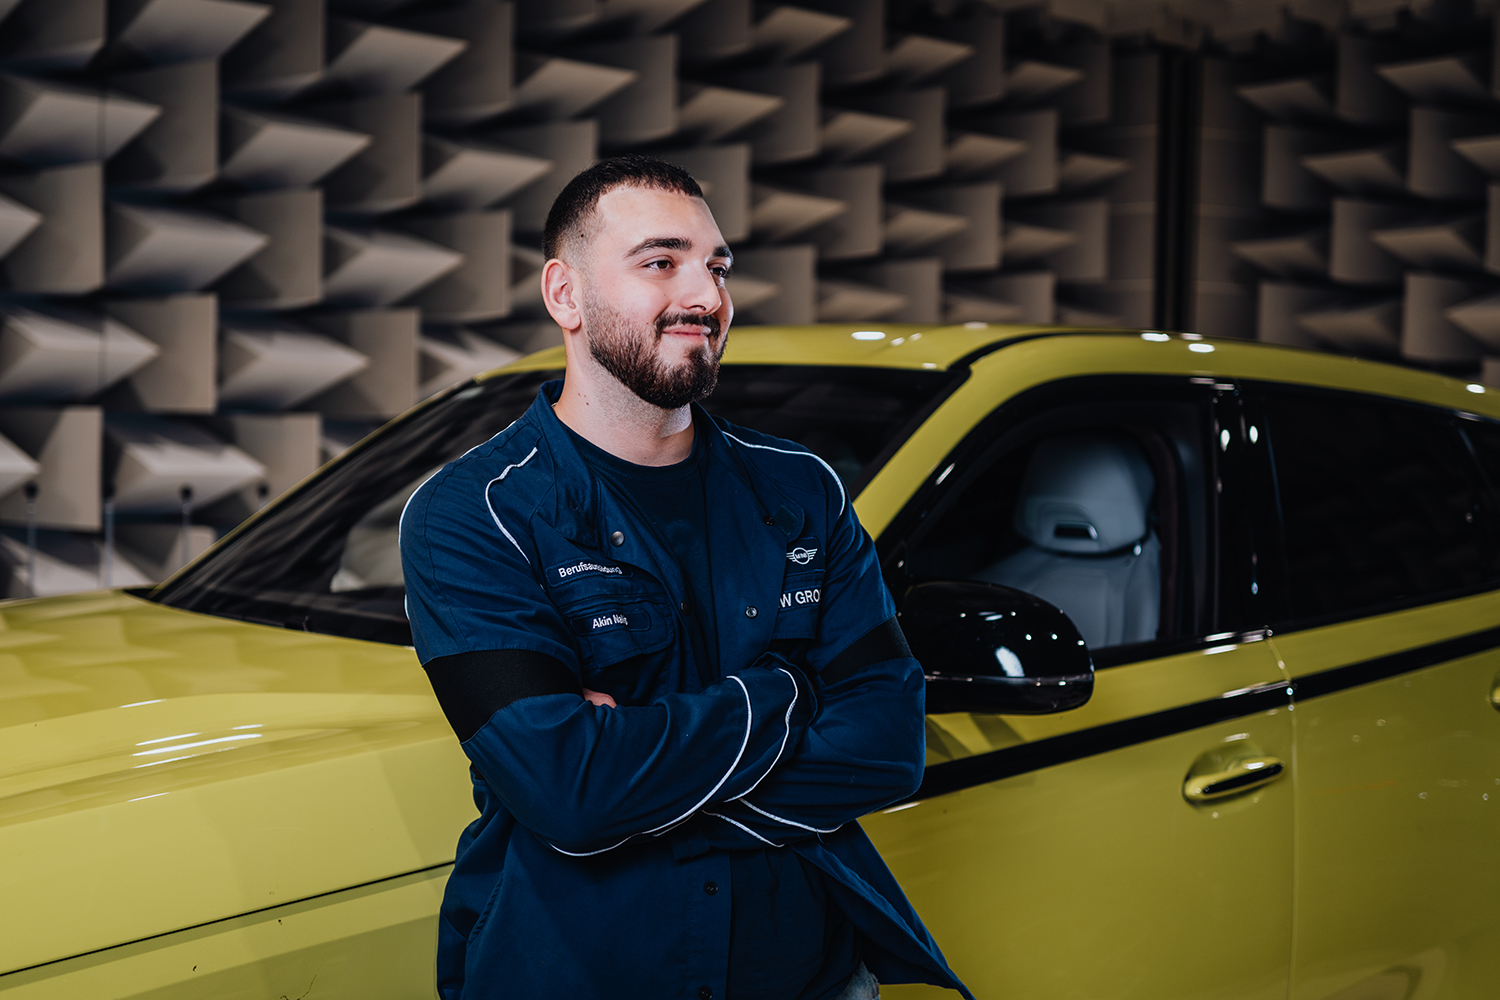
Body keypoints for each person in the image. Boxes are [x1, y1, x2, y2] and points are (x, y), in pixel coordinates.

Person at [400, 155, 971, 1000]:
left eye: (717, 266)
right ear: (565, 295)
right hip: (575, 974)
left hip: (806, 977)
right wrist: (788, 690)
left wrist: (635, 767)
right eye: (661, 262)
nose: (705, 296)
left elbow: (889, 746)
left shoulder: (800, 491)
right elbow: (574, 792)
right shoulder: (471, 513)